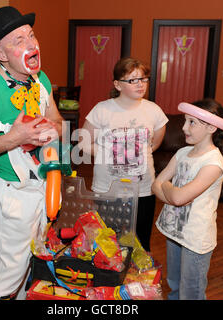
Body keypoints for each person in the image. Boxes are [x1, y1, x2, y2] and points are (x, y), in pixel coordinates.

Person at [0, 6, 64, 300]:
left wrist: (52, 130)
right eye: (19, 40)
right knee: (6, 276)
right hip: (11, 196)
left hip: (41, 188)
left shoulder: (41, 79)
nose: (32, 44)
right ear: (2, 54)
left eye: (31, 35)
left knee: (32, 269)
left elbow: (56, 120)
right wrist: (12, 139)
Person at [79, 57, 168, 252]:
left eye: (143, 79)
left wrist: (135, 154)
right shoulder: (102, 109)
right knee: (107, 242)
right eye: (133, 80)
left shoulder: (154, 111)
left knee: (141, 243)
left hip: (143, 189)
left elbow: (154, 143)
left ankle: (139, 281)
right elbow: (84, 143)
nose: (140, 84)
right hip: (106, 188)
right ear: (117, 85)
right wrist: (111, 152)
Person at [152, 98, 223, 300]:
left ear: (212, 127)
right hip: (175, 231)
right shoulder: (182, 152)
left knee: (190, 292)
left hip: (195, 237)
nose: (184, 127)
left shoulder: (213, 162)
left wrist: (168, 188)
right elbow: (155, 185)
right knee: (175, 286)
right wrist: (172, 191)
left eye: (192, 122)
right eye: (185, 121)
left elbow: (177, 196)